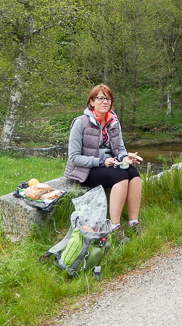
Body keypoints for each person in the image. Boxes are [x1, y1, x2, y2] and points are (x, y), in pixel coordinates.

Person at [64, 84, 142, 244]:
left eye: (108, 98)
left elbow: (120, 149)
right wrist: (101, 161)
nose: (105, 102)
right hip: (85, 170)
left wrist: (126, 158)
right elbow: (73, 157)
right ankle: (114, 227)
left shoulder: (113, 121)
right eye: (100, 98)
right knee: (120, 175)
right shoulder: (80, 123)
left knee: (133, 172)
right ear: (91, 102)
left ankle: (133, 222)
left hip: (107, 165)